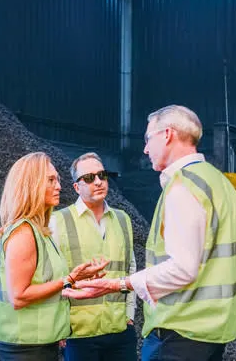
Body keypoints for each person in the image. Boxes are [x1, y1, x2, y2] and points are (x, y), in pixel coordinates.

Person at [63, 106, 236, 361]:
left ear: (168, 134)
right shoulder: (219, 183)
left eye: (148, 138)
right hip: (214, 330)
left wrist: (119, 284)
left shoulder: (184, 186)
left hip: (180, 331)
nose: (145, 149)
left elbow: (182, 268)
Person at [0, 152, 110, 361]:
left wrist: (77, 278)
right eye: (51, 180)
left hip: (37, 344)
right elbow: (19, 297)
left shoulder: (39, 231)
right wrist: (69, 279)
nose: (59, 186)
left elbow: (43, 283)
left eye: (58, 180)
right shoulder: (24, 233)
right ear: (31, 185)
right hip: (26, 348)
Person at [49, 152, 138, 361]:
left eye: (102, 175)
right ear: (76, 187)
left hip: (120, 331)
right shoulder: (58, 221)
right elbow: (52, 277)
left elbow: (130, 268)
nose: (98, 182)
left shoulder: (123, 219)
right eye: (89, 178)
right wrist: (59, 325)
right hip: (79, 334)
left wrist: (130, 316)